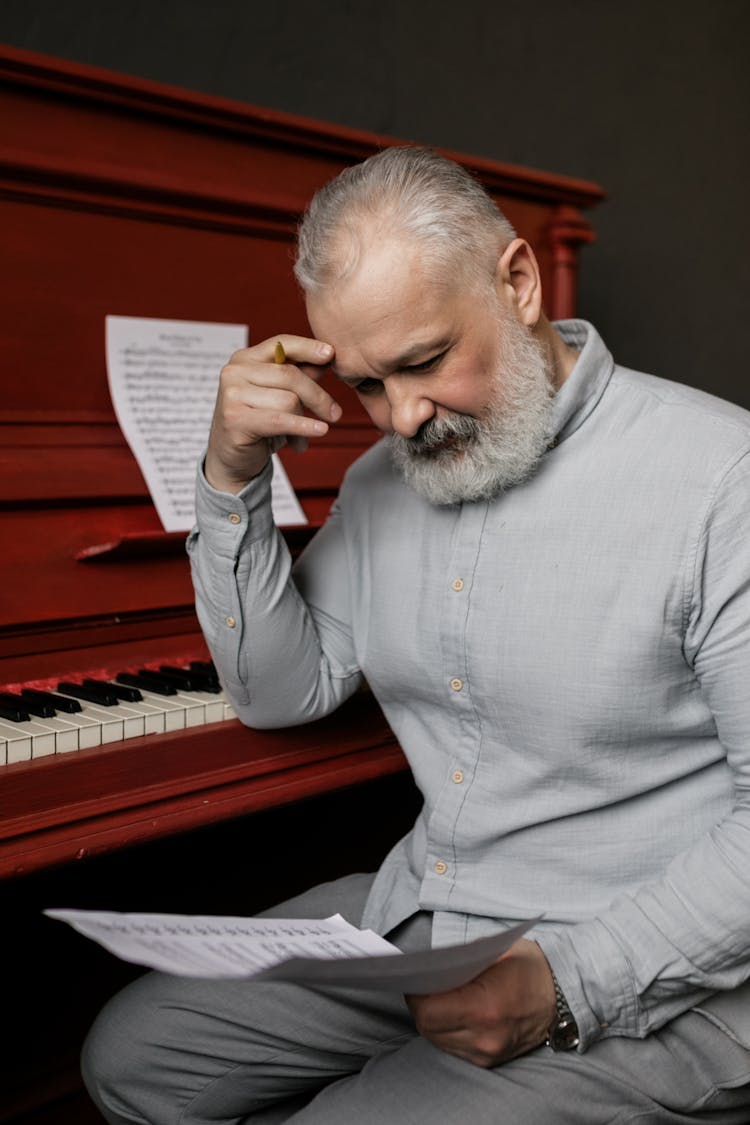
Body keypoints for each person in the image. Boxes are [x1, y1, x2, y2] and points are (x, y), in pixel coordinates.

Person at [82, 146, 750, 1124]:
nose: (402, 418)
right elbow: (281, 692)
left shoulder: (722, 482)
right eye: (364, 385)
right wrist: (232, 477)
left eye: (426, 361)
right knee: (136, 1060)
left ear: (517, 281)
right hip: (436, 914)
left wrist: (567, 982)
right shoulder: (378, 482)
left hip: (658, 963)